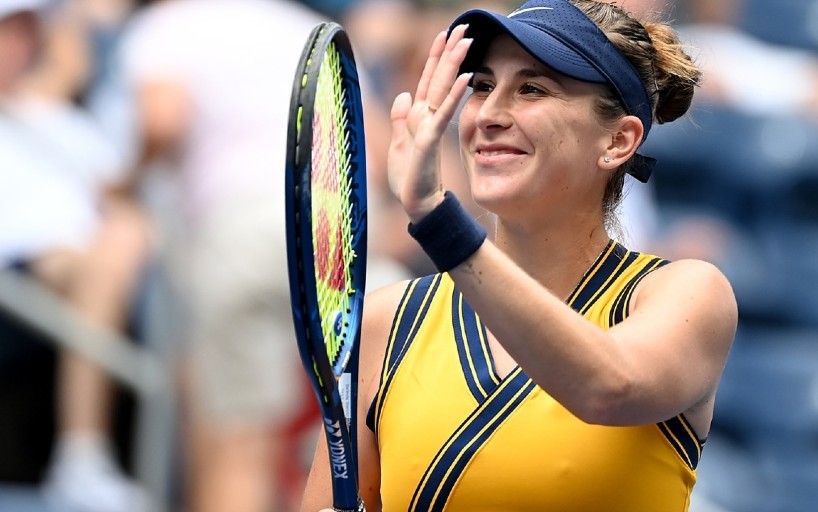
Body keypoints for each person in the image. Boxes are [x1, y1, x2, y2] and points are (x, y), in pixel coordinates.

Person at [302, 0, 738, 510]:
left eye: (532, 89)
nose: (488, 114)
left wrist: (438, 219)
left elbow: (609, 386)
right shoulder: (384, 322)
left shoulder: (686, 293)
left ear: (618, 140)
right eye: (482, 86)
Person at [0, 1, 150, 511]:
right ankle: (81, 456)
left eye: (26, 32)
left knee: (125, 241)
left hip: (98, 261)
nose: (18, 45)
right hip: (26, 264)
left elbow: (118, 194)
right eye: (8, 31)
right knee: (110, 253)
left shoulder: (64, 119)